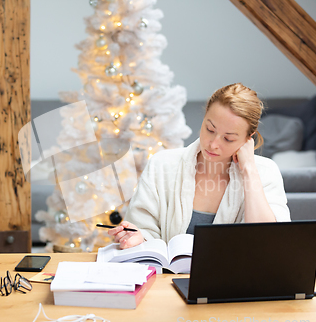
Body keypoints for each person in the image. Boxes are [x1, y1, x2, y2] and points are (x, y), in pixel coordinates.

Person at [109, 83, 291, 249]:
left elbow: (268, 242)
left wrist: (249, 171)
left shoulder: (266, 172)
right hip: (165, 281)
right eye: (209, 129)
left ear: (248, 138)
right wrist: (139, 238)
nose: (213, 144)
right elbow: (143, 229)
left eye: (228, 138)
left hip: (234, 284)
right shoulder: (162, 164)